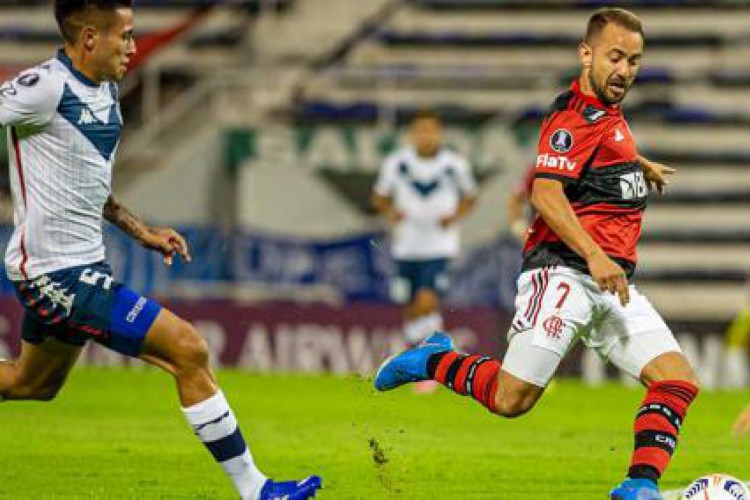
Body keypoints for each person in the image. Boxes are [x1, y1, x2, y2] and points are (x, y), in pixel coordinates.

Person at [0, 2, 321, 499]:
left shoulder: (106, 91)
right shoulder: (44, 87)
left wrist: (139, 229)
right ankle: (257, 490)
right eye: (124, 36)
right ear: (89, 38)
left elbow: (84, 181)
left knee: (29, 385)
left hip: (84, 264)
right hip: (53, 274)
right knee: (188, 349)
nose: (132, 47)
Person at [374, 8, 698, 500]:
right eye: (615, 57)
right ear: (585, 53)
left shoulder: (607, 115)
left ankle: (638, 486)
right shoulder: (572, 116)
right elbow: (545, 194)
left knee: (676, 381)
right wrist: (593, 254)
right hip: (564, 273)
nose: (625, 70)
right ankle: (434, 359)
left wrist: (637, 163)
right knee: (511, 399)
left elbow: (601, 147)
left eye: (634, 60)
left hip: (611, 283)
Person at [372, 110, 477, 392]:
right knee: (410, 306)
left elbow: (470, 197)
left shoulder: (454, 164)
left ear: (439, 134)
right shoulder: (397, 163)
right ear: (412, 135)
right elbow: (379, 196)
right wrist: (391, 211)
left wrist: (455, 215)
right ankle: (417, 361)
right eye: (420, 131)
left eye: (431, 131)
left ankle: (431, 366)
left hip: (440, 245)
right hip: (406, 245)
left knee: (427, 299)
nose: (425, 136)